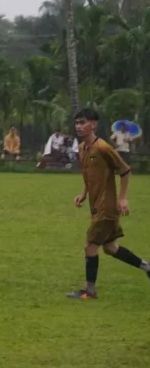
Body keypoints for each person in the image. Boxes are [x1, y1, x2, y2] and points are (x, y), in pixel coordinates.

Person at [68, 108, 150, 299]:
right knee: (110, 247)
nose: (78, 126)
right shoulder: (82, 148)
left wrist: (122, 198)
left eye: (82, 122)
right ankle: (147, 267)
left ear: (93, 124)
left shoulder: (103, 148)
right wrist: (84, 193)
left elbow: (125, 171)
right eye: (77, 123)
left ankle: (90, 291)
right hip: (96, 205)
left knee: (90, 246)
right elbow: (88, 174)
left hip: (107, 207)